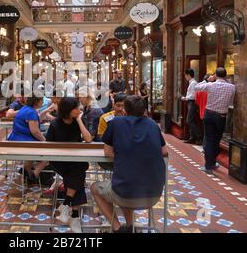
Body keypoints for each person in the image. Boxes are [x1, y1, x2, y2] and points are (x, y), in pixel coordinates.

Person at [91, 95, 168, 233]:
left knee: (95, 188)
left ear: (125, 110)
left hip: (124, 193)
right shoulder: (152, 124)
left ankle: (117, 228)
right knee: (124, 183)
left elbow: (108, 152)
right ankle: (130, 226)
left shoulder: (116, 122)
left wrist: (125, 156)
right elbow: (164, 151)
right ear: (144, 110)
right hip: (154, 195)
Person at [46, 97, 93, 233]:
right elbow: (48, 146)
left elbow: (88, 139)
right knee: (79, 171)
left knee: (77, 170)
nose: (80, 110)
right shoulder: (55, 123)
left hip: (75, 160)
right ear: (68, 110)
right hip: (59, 161)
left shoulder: (78, 121)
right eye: (76, 108)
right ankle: (73, 214)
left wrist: (78, 120)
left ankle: (68, 207)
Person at [195, 67, 236, 174]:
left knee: (209, 139)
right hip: (221, 117)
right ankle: (211, 162)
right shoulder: (232, 87)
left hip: (209, 114)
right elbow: (231, 102)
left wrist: (207, 80)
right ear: (226, 76)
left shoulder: (210, 85)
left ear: (216, 75)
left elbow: (196, 87)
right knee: (217, 140)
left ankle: (209, 165)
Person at [7, 97, 48, 182]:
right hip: (24, 142)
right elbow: (35, 132)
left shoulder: (24, 108)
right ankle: (34, 174)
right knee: (49, 155)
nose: (43, 102)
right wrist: (45, 141)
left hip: (16, 140)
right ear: (36, 102)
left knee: (32, 153)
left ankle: (26, 171)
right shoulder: (31, 112)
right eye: (41, 101)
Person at [97, 93, 128, 171]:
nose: (121, 109)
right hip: (111, 153)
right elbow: (103, 138)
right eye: (118, 105)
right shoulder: (104, 118)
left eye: (124, 106)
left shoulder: (132, 118)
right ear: (113, 105)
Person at [181, 69, 201, 145]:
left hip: (192, 102)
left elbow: (193, 95)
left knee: (189, 120)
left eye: (185, 75)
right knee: (191, 120)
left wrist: (185, 98)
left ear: (189, 75)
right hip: (190, 102)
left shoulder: (193, 83)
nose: (185, 77)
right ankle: (192, 137)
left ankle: (199, 136)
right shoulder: (191, 82)